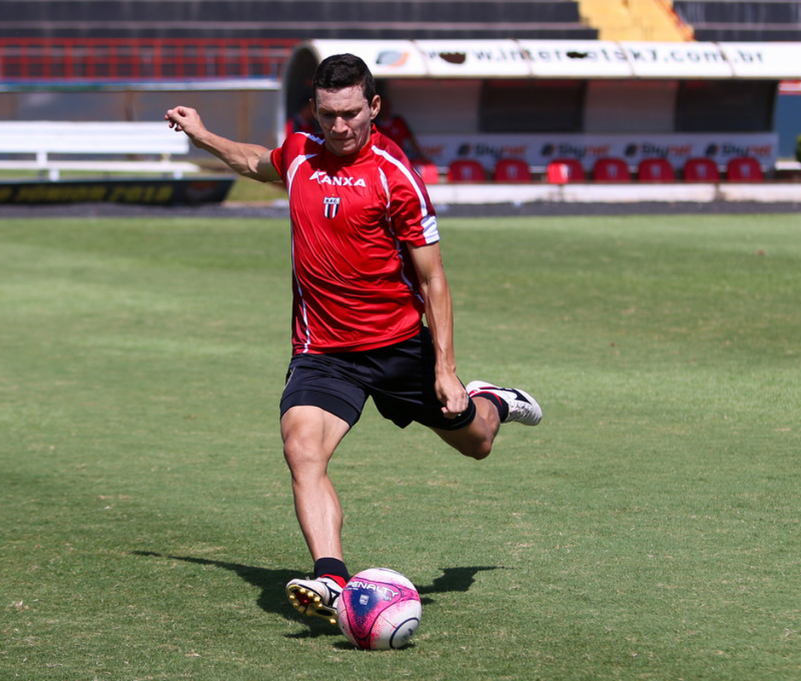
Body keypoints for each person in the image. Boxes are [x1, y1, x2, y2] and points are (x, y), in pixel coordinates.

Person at [165, 53, 542, 626]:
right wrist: (202, 135)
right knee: (302, 447)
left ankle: (495, 399)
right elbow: (254, 161)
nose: (338, 127)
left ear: (373, 107)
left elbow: (433, 277)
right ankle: (331, 578)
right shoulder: (299, 152)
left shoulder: (396, 177)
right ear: (313, 109)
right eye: (326, 114)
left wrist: (446, 369)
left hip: (397, 347)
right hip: (324, 351)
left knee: (479, 442)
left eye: (349, 114)